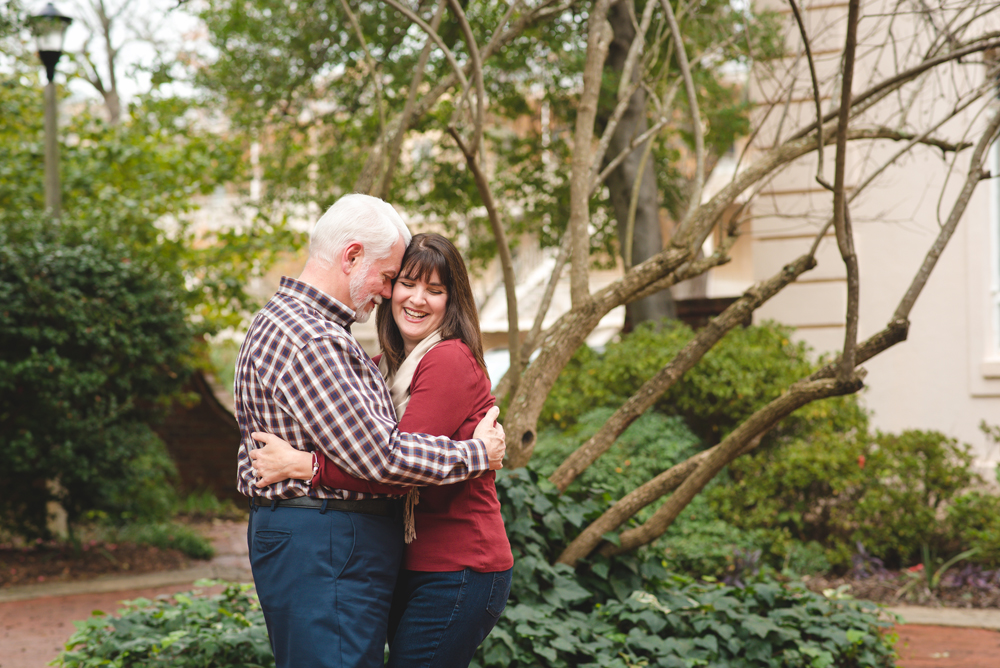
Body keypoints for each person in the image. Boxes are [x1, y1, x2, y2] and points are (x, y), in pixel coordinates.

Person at [234, 196, 506, 668]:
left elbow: (382, 459)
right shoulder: (320, 340)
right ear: (352, 256)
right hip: (325, 542)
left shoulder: (307, 329)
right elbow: (385, 459)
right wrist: (476, 454)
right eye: (394, 278)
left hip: (438, 561)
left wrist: (307, 466)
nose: (392, 293)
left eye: (434, 290)